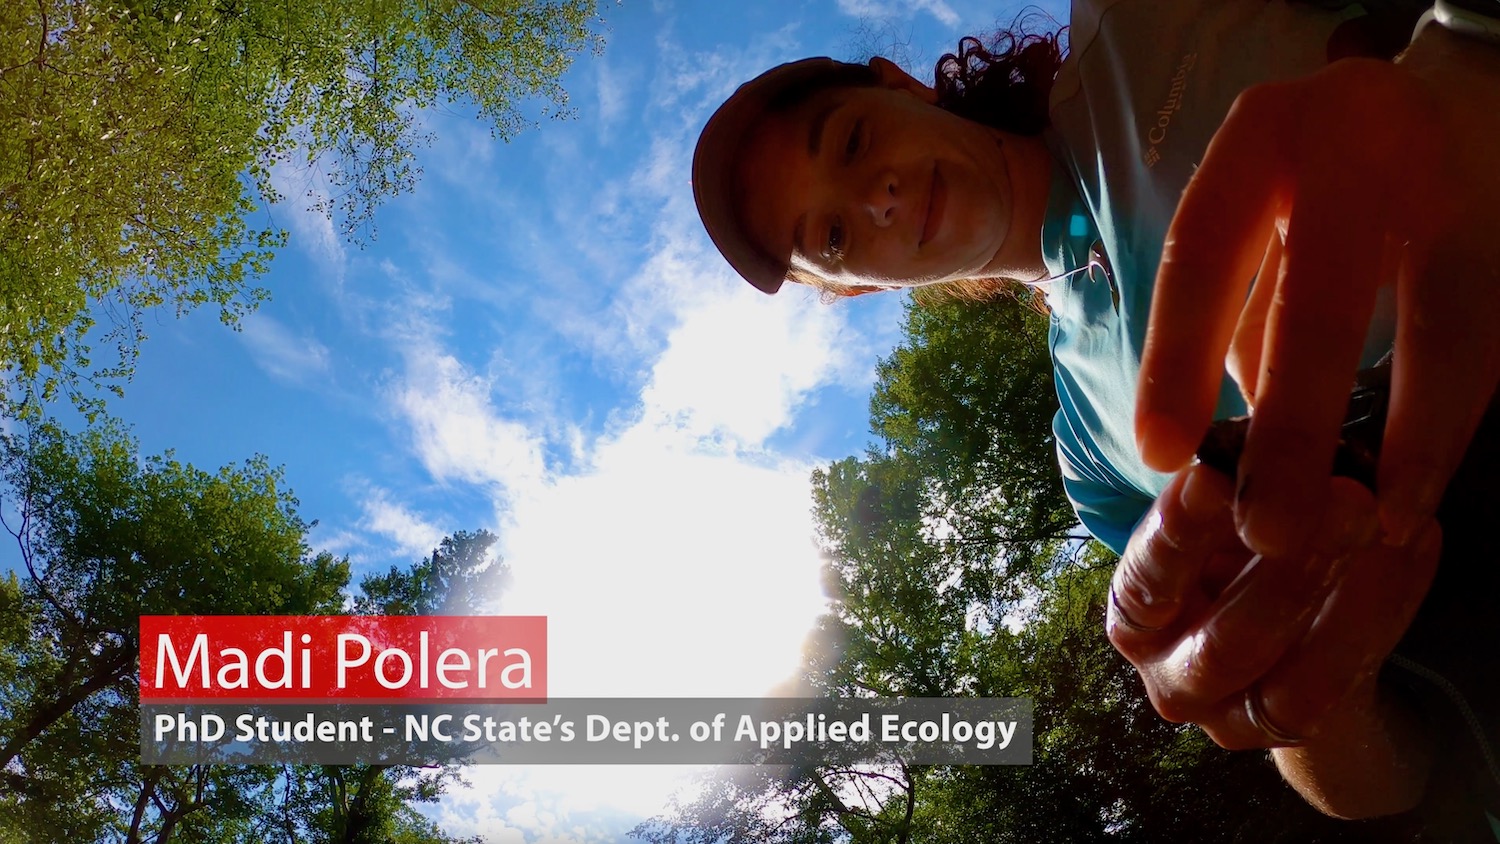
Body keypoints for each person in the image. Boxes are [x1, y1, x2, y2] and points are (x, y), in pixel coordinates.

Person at [690, 0, 1500, 837]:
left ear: (901, 86)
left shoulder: (1139, 18)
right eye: (831, 235)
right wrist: (1303, 706)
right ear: (859, 285)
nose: (877, 199)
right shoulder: (1094, 465)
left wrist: (1471, 59)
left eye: (852, 140)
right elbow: (1395, 780)